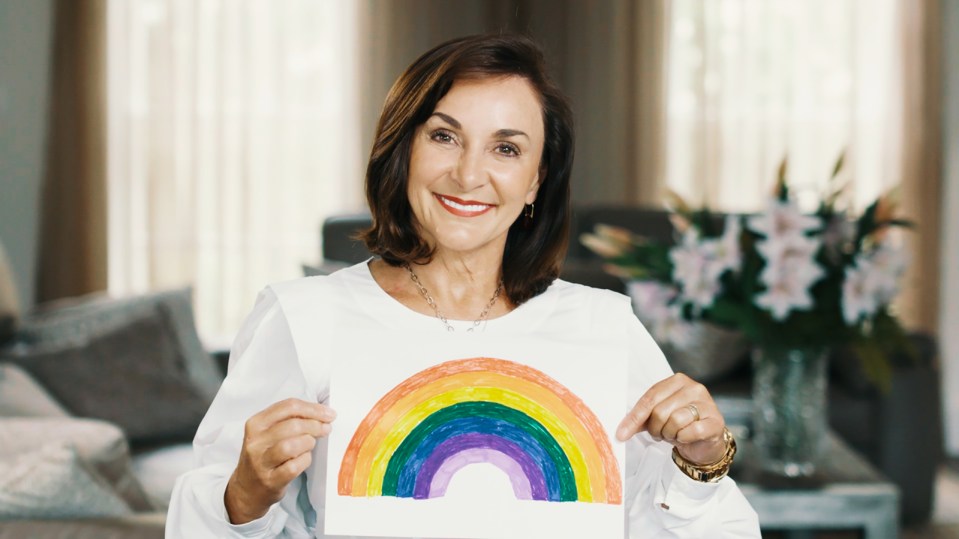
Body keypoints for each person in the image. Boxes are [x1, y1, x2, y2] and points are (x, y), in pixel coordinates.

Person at [167, 34, 760, 538]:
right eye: (444, 136)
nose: (469, 174)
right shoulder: (303, 318)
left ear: (535, 181)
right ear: (403, 148)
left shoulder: (603, 327)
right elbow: (204, 519)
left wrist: (701, 462)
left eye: (506, 148)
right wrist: (243, 495)